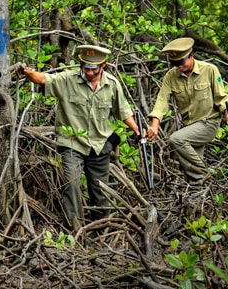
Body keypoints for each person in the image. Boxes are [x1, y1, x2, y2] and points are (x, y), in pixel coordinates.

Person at [19, 44, 142, 230]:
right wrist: (27, 72)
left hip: (100, 145)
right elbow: (44, 79)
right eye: (85, 67)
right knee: (72, 184)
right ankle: (75, 228)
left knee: (100, 189)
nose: (89, 72)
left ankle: (101, 228)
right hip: (72, 144)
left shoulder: (112, 84)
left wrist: (137, 131)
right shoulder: (68, 79)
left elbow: (124, 112)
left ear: (104, 65)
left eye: (93, 69)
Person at [147, 37, 228, 183]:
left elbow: (221, 97)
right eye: (174, 63)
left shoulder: (210, 70)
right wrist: (154, 124)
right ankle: (199, 196)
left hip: (208, 123)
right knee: (191, 174)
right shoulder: (171, 76)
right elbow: (161, 101)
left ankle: (206, 174)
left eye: (181, 62)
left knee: (176, 139)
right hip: (190, 126)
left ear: (191, 55)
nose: (178, 66)